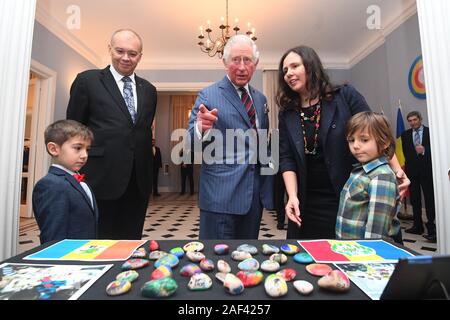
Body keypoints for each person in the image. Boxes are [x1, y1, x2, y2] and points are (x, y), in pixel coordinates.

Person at [277, 45, 410, 239]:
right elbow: (286, 158)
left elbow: (375, 131)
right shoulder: (287, 113)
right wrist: (293, 196)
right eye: (285, 70)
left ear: (310, 66)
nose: (288, 73)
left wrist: (397, 170)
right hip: (307, 202)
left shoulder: (344, 95)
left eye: (295, 66)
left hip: (349, 194)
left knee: (350, 258)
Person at [66, 29, 157, 240]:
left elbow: (140, 132)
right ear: (110, 49)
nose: (126, 58)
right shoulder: (87, 81)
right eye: (120, 51)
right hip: (99, 177)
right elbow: (73, 129)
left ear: (140, 57)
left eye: (133, 53)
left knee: (130, 240)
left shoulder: (149, 90)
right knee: (99, 241)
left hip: (138, 181)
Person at [187, 35, 273, 239]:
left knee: (247, 258)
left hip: (253, 198)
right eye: (236, 60)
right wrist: (202, 129)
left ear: (256, 63)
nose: (242, 67)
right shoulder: (209, 95)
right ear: (225, 63)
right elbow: (191, 142)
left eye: (248, 60)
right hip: (220, 197)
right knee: (216, 262)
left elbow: (262, 146)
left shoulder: (260, 99)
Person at [335, 112, 402, 244]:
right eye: (351, 140)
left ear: (385, 143)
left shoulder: (381, 177)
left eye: (364, 140)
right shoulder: (360, 171)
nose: (355, 146)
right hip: (349, 250)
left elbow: (376, 234)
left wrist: (367, 259)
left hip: (365, 254)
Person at [32, 120, 97, 244]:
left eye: (87, 149)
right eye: (78, 148)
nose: (84, 155)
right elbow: (53, 236)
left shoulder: (79, 180)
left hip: (85, 253)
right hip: (68, 258)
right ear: (53, 149)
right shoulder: (51, 185)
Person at [401, 111, 436, 242]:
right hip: (412, 172)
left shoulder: (430, 132)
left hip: (427, 171)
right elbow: (406, 153)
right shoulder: (405, 135)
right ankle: (417, 226)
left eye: (415, 120)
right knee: (415, 199)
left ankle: (432, 229)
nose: (412, 122)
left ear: (420, 119)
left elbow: (437, 149)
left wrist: (425, 150)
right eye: (410, 120)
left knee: (429, 199)